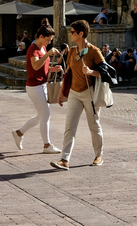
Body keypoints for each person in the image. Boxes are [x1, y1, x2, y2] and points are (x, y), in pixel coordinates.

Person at [50, 20, 105, 171]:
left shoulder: (94, 51)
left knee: (94, 126)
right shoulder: (73, 51)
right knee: (70, 127)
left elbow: (106, 73)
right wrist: (62, 92)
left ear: (81, 33)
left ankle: (98, 155)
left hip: (90, 93)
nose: (70, 34)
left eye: (72, 31)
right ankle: (64, 159)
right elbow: (68, 73)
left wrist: (91, 72)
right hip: (74, 92)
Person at [12, 19, 62, 155]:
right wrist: (47, 54)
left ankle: (19, 133)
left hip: (42, 84)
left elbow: (41, 67)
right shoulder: (33, 49)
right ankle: (47, 145)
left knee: (41, 116)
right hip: (34, 86)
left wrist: (52, 69)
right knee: (45, 114)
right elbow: (34, 66)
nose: (49, 42)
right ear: (40, 37)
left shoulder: (43, 48)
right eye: (48, 39)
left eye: (50, 40)